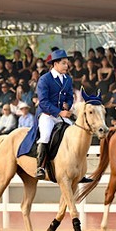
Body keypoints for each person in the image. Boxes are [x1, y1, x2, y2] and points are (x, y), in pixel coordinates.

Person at [31, 49, 92, 183]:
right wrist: (59, 112)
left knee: (77, 133)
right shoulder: (45, 79)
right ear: (55, 64)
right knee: (46, 135)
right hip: (47, 114)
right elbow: (43, 102)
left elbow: (70, 97)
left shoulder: (67, 79)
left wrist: (68, 105)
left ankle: (80, 170)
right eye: (64, 63)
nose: (67, 66)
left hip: (62, 114)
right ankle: (40, 167)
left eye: (67, 63)